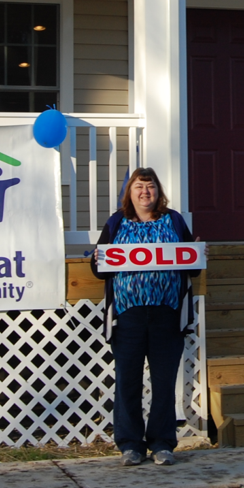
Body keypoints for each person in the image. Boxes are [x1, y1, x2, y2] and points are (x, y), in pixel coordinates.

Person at [90, 167, 199, 467]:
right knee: (128, 380)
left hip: (167, 313)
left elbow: (192, 267)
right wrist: (96, 259)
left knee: (164, 381)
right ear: (130, 192)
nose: (145, 192)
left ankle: (162, 443)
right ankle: (130, 445)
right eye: (139, 187)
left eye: (150, 187)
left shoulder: (174, 220)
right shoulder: (116, 222)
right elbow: (99, 268)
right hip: (128, 315)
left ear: (158, 191)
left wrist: (199, 254)